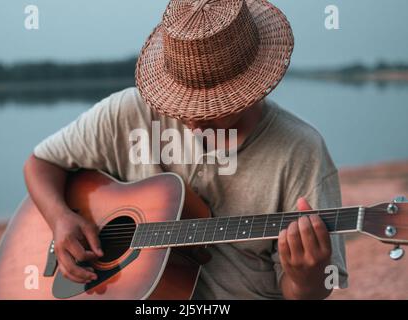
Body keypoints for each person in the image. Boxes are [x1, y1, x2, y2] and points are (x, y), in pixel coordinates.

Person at [24, 0, 347, 299]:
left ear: (249, 86)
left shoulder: (302, 150)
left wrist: (307, 277)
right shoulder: (127, 113)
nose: (191, 122)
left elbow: (310, 290)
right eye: (179, 103)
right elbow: (40, 163)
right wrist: (60, 218)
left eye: (208, 109)